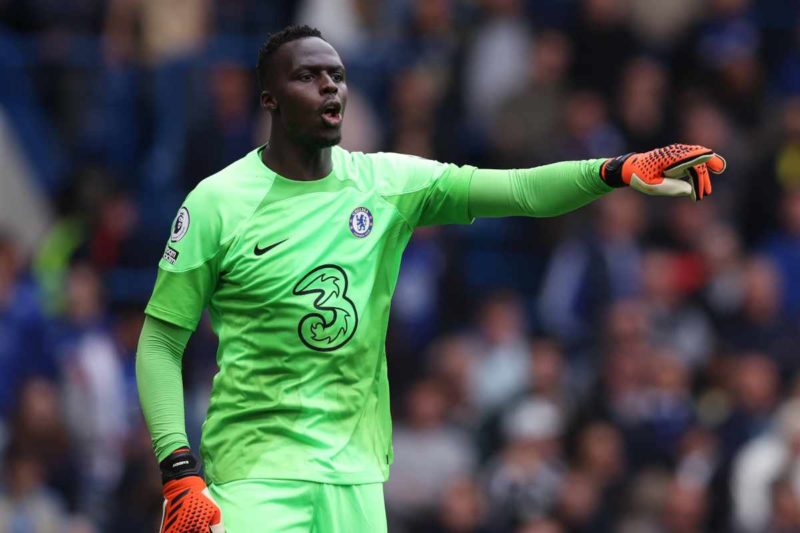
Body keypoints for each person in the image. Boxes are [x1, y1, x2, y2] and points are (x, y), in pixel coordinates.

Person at [136, 24, 726, 533]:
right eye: (308, 76)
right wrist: (177, 468)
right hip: (255, 473)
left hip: (356, 478)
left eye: (337, 75)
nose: (329, 87)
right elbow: (162, 341)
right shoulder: (218, 203)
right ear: (269, 98)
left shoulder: (385, 183)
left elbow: (518, 190)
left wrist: (616, 170)